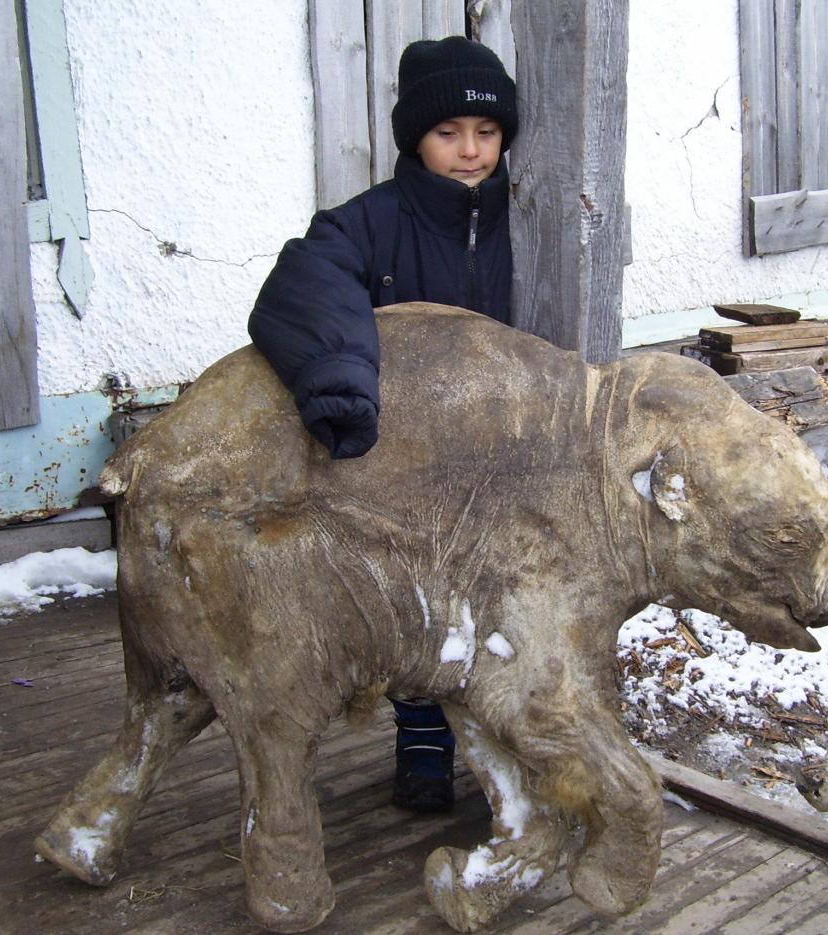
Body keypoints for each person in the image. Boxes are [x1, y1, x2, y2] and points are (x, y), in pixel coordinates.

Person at [248, 35, 517, 812]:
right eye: (448, 132)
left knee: (504, 600)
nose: (470, 150)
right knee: (419, 599)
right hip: (410, 456)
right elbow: (305, 283)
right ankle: (424, 735)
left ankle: (510, 740)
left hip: (511, 450)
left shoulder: (535, 217)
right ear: (414, 138)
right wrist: (340, 381)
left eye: (487, 132)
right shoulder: (371, 223)